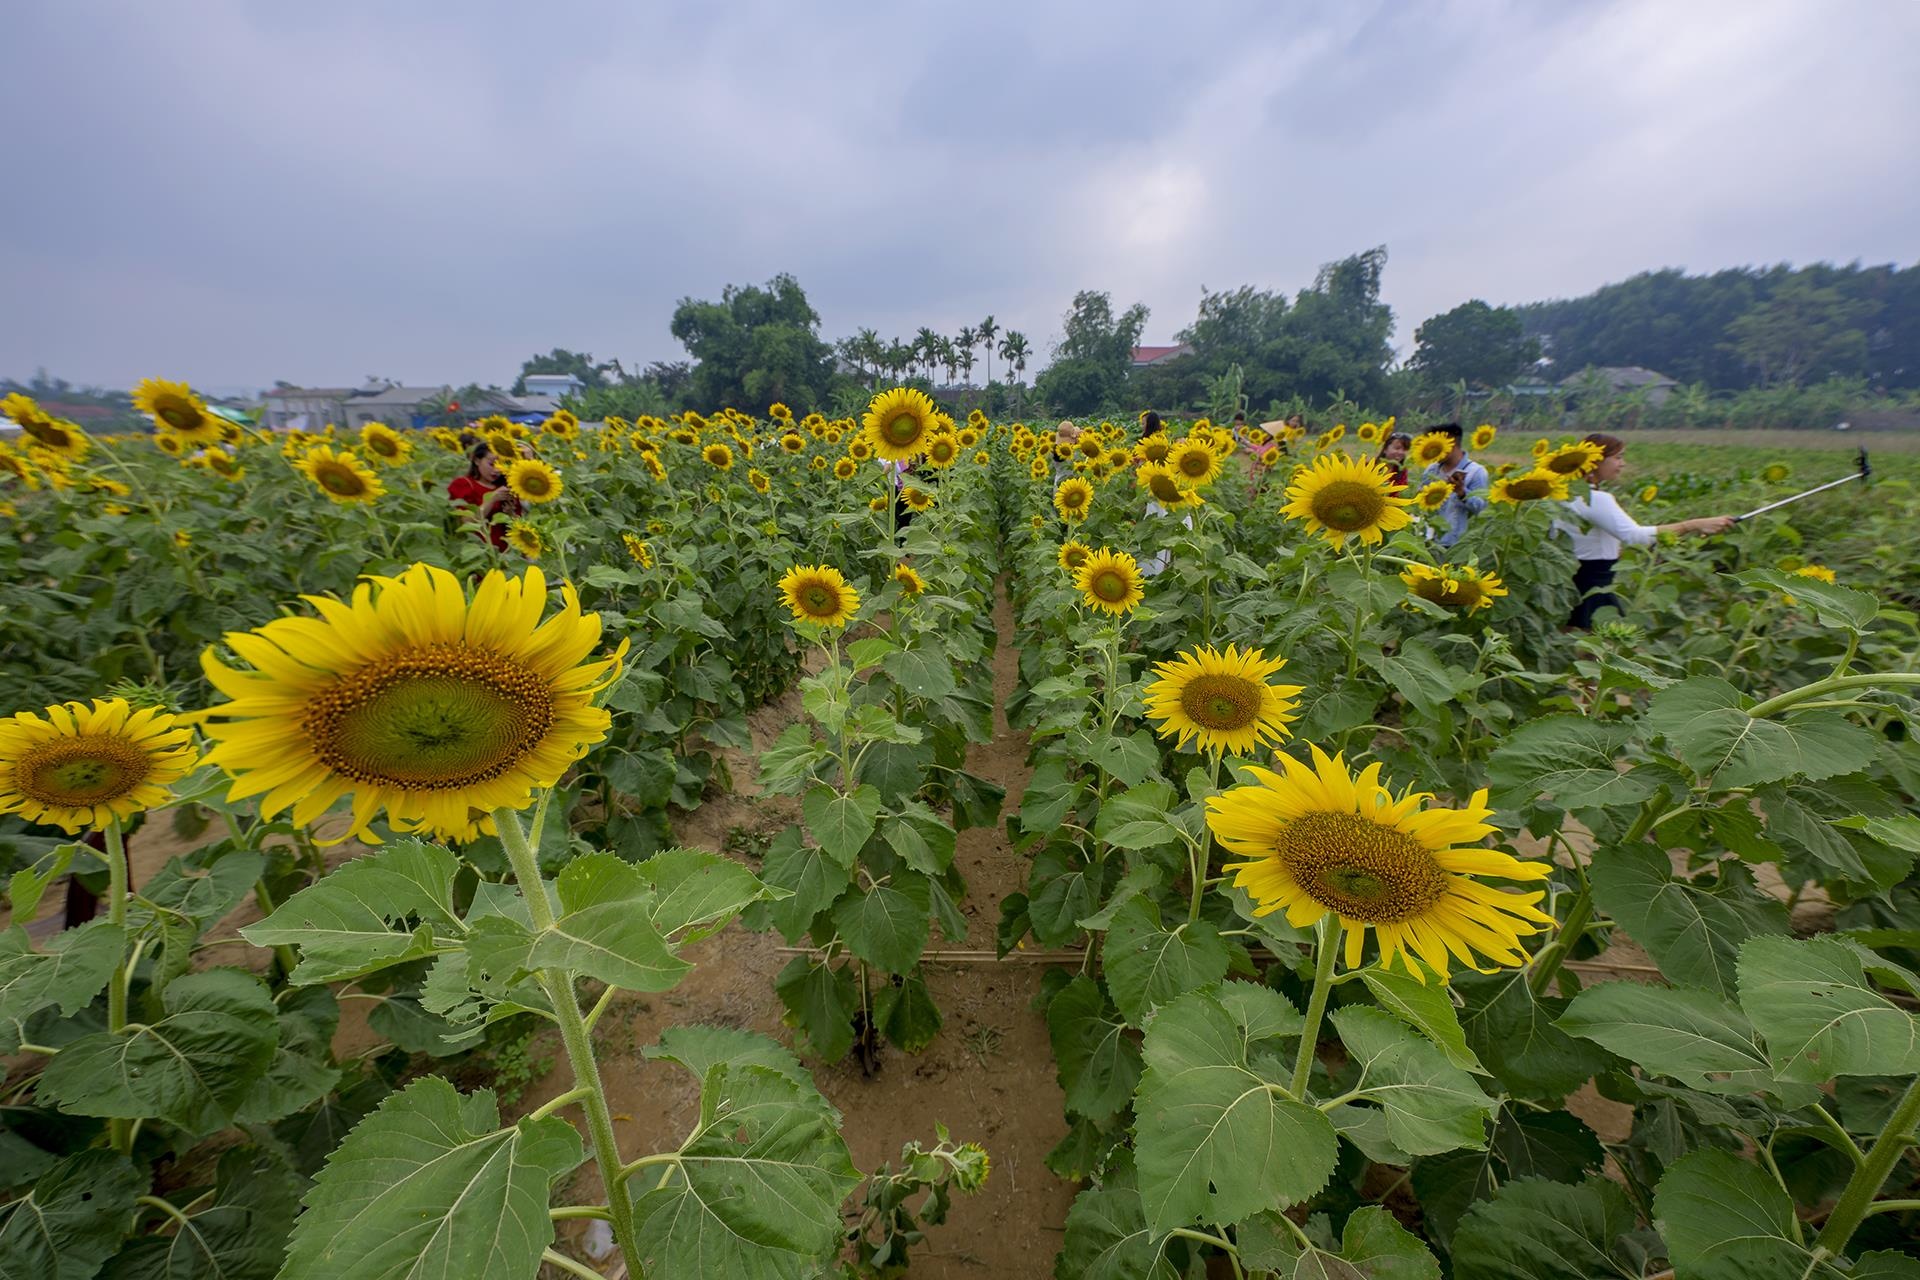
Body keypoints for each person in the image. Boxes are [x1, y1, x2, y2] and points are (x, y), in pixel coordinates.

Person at [1556, 432, 1736, 628]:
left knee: (1573, 636)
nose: (1622, 464)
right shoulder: (1597, 499)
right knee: (1595, 640)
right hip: (1593, 581)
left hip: (1571, 576)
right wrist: (1692, 525)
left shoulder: (1564, 493)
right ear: (1596, 461)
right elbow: (1636, 537)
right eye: (1618, 457)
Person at [448, 439, 525, 551]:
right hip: (478, 551)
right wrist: (492, 499)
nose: (497, 470)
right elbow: (466, 523)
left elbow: (519, 526)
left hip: (506, 553)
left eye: (502, 465)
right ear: (477, 460)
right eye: (491, 464)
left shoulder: (507, 488)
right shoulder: (463, 484)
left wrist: (510, 513)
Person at [1418, 424, 1487, 548]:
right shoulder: (1431, 470)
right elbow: (1421, 501)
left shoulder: (1476, 471)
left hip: (1455, 543)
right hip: (1427, 540)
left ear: (1450, 442)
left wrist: (1462, 493)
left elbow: (1481, 509)